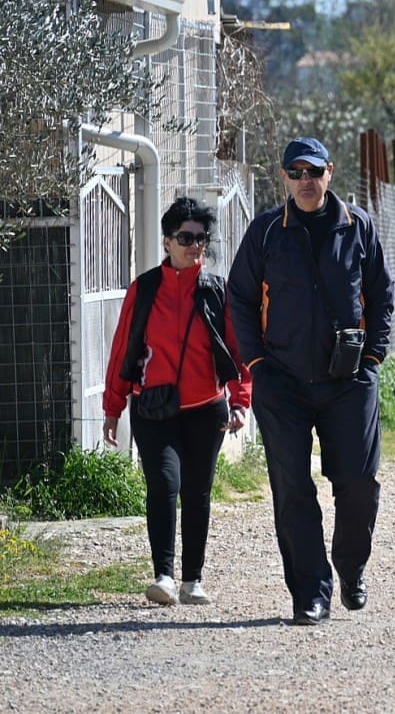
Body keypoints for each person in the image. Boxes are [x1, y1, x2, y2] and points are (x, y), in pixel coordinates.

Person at [228, 137, 395, 625]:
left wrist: (373, 357)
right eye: (296, 172)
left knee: (358, 483)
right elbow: (240, 299)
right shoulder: (265, 232)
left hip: (350, 381)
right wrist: (257, 365)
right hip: (283, 382)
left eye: (314, 171)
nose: (306, 181)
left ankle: (351, 567)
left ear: (329, 173)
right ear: (283, 177)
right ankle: (310, 593)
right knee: (292, 488)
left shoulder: (357, 226)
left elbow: (382, 293)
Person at [102, 197, 251, 607]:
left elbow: (237, 352)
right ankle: (164, 577)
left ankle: (193, 580)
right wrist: (113, 407)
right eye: (185, 238)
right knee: (164, 484)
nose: (195, 246)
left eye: (201, 238)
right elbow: (123, 348)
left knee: (198, 492)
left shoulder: (217, 291)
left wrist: (240, 401)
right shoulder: (146, 288)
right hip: (154, 408)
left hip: (207, 409)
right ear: (167, 241)